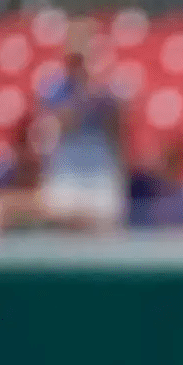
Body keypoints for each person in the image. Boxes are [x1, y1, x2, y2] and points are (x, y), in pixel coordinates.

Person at [37, 18, 126, 231]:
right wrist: (83, 94)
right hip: (68, 170)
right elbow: (61, 122)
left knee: (104, 230)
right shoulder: (55, 87)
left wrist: (95, 88)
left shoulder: (107, 88)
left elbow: (117, 126)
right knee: (62, 228)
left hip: (99, 171)